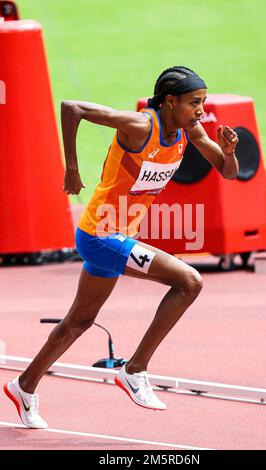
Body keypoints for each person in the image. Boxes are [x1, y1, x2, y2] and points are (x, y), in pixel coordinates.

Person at [3, 65, 239, 428]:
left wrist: (228, 151)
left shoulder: (189, 129)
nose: (202, 111)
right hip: (101, 234)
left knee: (77, 322)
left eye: (203, 102)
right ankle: (135, 370)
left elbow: (228, 171)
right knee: (189, 281)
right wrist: (71, 167)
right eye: (195, 102)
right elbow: (72, 108)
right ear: (170, 102)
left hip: (118, 233)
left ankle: (24, 385)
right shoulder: (141, 126)